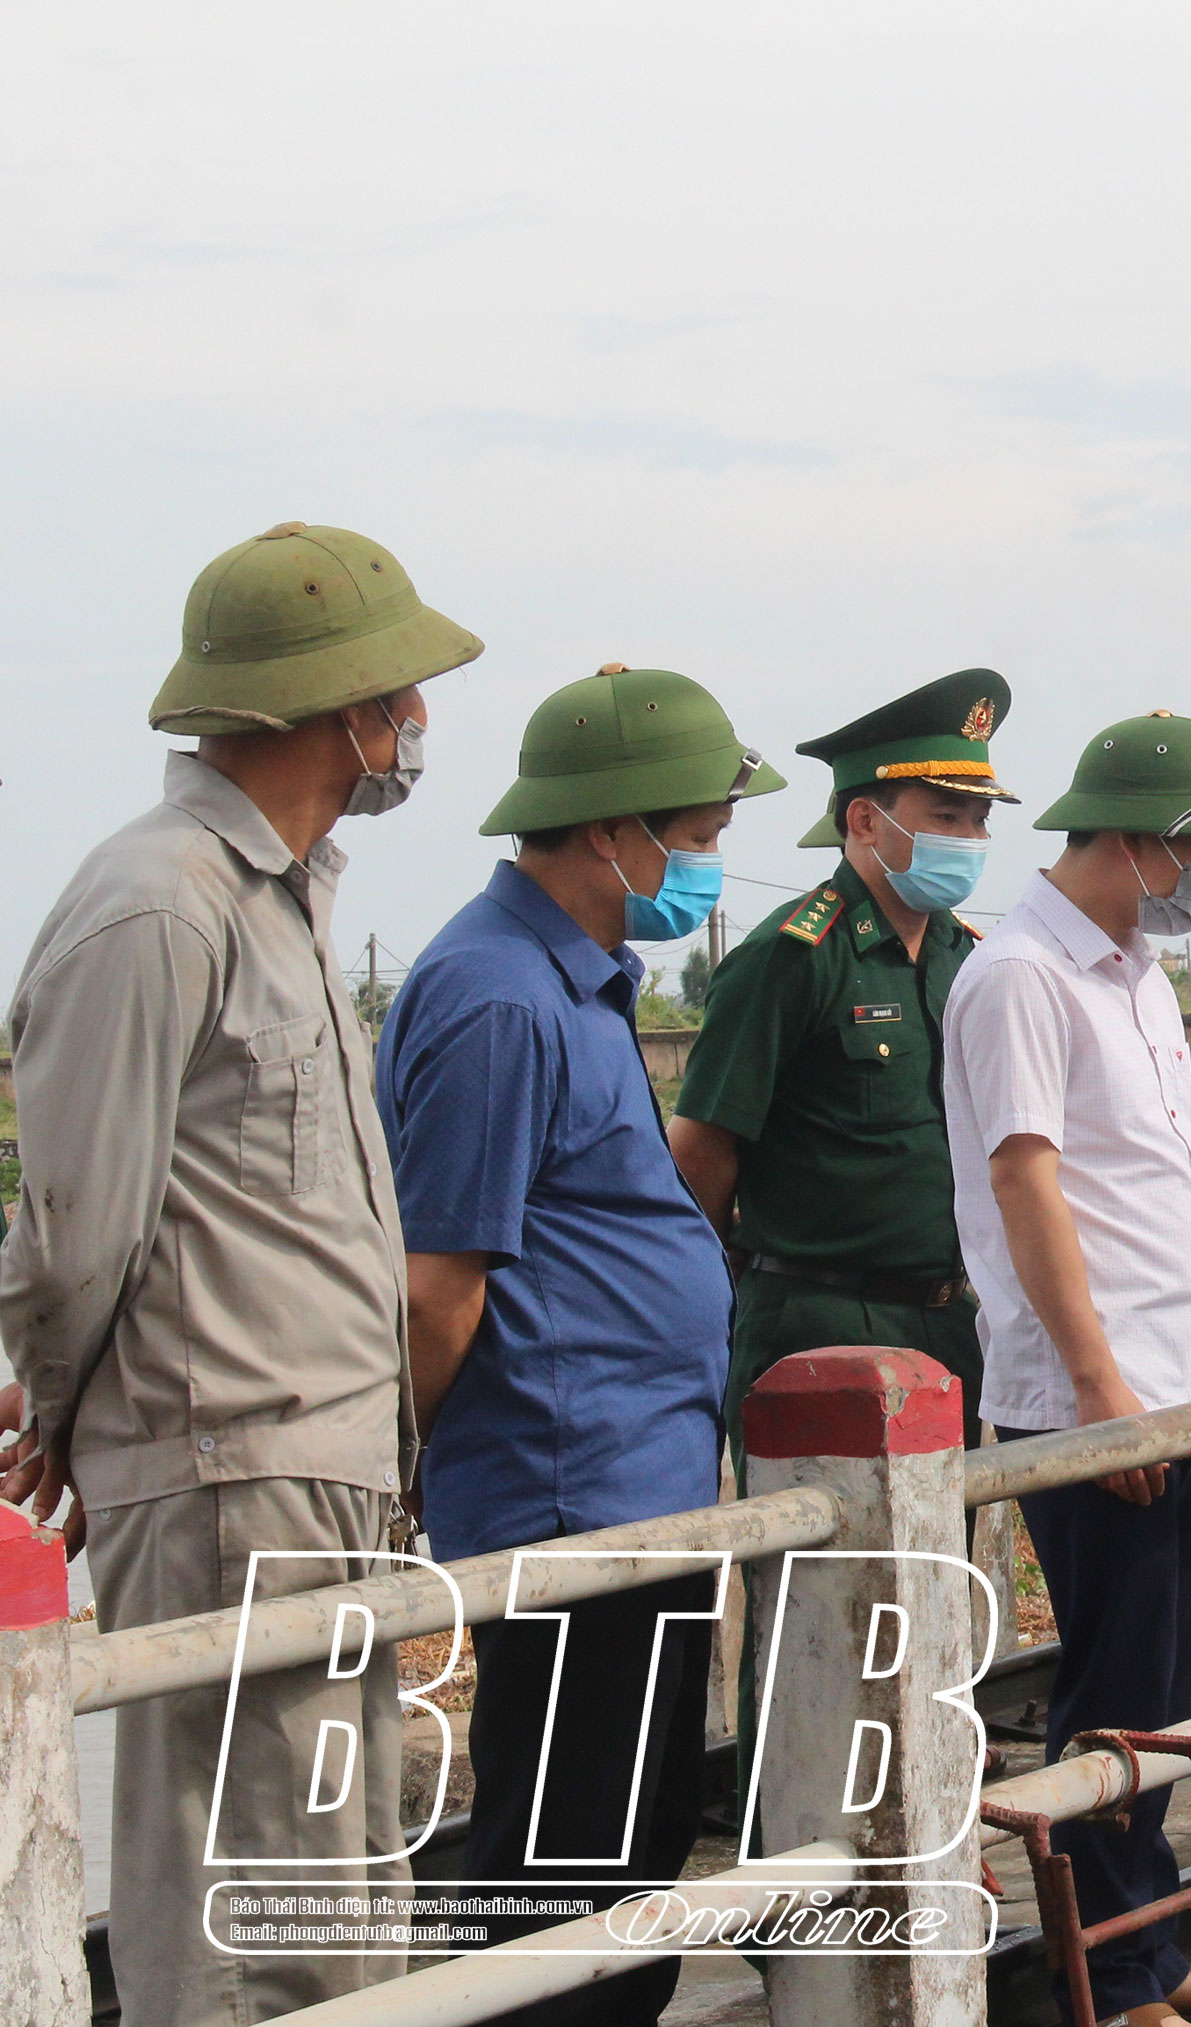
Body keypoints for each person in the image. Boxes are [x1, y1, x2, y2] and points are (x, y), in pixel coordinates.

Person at [0, 522, 474, 2027]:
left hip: (315, 1461)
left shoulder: (280, 894)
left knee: (336, 1897)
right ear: (337, 707)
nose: (417, 720)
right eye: (400, 690)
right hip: (229, 1465)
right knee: (248, 1918)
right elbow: (77, 1223)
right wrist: (72, 1416)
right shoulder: (158, 903)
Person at [377, 664, 783, 2027]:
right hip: (568, 1491)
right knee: (565, 1861)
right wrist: (402, 1465)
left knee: (629, 1841)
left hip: (631, 1482)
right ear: (613, 830)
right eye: (701, 835)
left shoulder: (577, 983)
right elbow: (441, 1287)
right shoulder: (499, 998)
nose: (709, 862)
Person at [943, 712, 1191, 2027]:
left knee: (1156, 1683)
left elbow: (1155, 1187)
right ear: (1138, 838)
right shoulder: (1020, 975)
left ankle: (1151, 1947)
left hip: (1168, 1378)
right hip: (1094, 1392)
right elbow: (1026, 1181)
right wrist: (1100, 1387)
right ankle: (1104, 1971)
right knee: (1108, 1689)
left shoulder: (1135, 969)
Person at [671, 669, 1019, 1472]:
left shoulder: (967, 957)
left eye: (978, 819)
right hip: (817, 1324)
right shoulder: (791, 957)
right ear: (865, 819)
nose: (970, 837)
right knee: (824, 1549)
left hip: (947, 1320)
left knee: (940, 1549)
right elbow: (700, 1157)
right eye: (946, 817)